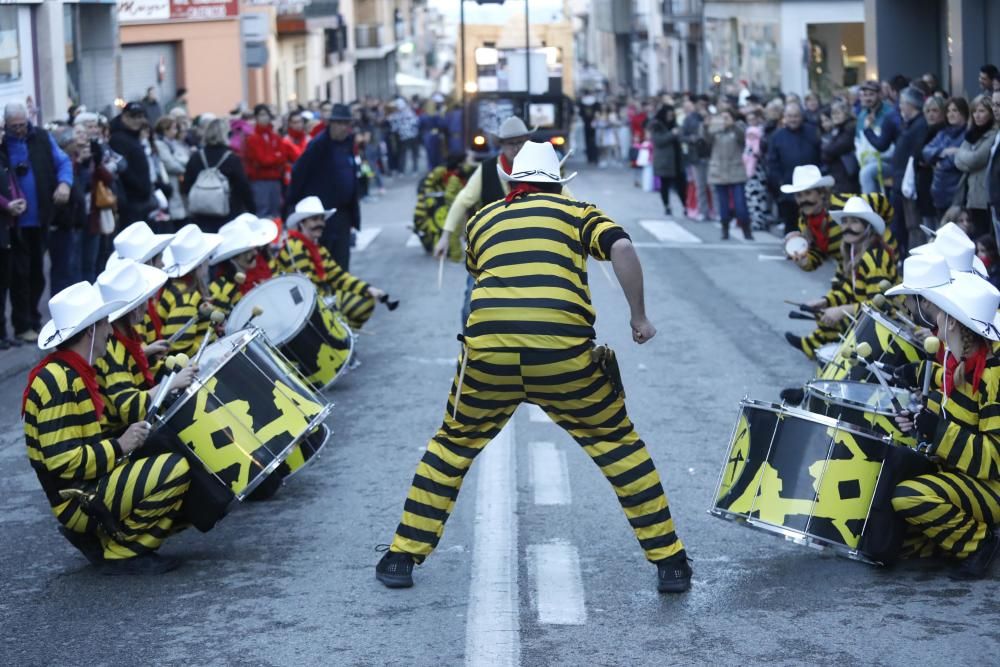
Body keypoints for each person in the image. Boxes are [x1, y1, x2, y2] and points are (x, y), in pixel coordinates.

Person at [375, 141, 691, 593]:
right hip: (562, 354)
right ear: (558, 184)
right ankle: (671, 563)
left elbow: (478, 270)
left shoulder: (483, 218)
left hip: (489, 356)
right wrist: (638, 317)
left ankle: (401, 557)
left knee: (451, 444)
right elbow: (621, 247)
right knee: (618, 444)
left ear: (511, 183)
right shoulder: (578, 212)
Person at [22, 281, 191, 574]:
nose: (110, 332)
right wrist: (121, 445)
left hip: (84, 486)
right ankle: (122, 551)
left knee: (168, 450)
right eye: (104, 325)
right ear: (90, 330)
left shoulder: (68, 371)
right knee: (176, 469)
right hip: (78, 499)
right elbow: (62, 461)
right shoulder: (60, 381)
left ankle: (108, 538)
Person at [890, 272, 1000, 579]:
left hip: (993, 486)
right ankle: (958, 537)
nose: (933, 320)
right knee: (899, 539)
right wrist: (919, 425)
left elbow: (995, 459)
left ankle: (980, 544)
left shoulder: (993, 375)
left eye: (939, 311)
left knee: (908, 496)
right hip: (962, 473)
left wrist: (937, 432)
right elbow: (948, 421)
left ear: (952, 321)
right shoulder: (960, 362)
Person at [785, 197, 898, 358]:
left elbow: (880, 305)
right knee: (825, 313)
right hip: (869, 318)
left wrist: (842, 310)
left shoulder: (875, 257)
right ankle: (815, 348)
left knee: (833, 318)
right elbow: (847, 289)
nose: (847, 227)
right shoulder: (853, 251)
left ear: (868, 227)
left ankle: (815, 347)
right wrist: (825, 301)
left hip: (889, 324)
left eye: (854, 222)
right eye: (844, 222)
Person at [95, 258, 197, 431]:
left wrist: (146, 354)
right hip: (119, 434)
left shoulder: (125, 334)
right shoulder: (112, 347)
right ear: (134, 309)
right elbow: (130, 408)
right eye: (145, 299)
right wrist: (172, 383)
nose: (148, 304)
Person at [3, 102, 73, 343]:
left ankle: (32, 319)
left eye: (22, 125)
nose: (20, 130)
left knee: (37, 273)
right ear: (6, 125)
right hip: (14, 222)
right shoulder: (3, 143)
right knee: (19, 275)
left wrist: (64, 183)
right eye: (15, 127)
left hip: (41, 217)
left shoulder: (41, 137)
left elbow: (63, 161)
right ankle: (22, 324)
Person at [278, 196, 384, 330]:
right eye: (314, 219)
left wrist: (368, 288)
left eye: (322, 219)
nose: (320, 224)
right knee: (352, 308)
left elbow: (338, 276)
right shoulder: (294, 247)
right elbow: (307, 290)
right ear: (302, 223)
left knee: (365, 301)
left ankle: (345, 336)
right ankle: (338, 336)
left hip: (323, 298)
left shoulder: (317, 247)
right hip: (302, 308)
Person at [781, 164, 896, 271]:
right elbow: (819, 252)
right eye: (799, 195)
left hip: (878, 260)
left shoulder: (845, 204)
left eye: (808, 194)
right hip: (849, 268)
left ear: (821, 193)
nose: (803, 200)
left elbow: (880, 201)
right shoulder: (804, 221)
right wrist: (804, 261)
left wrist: (879, 230)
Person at [286, 103, 360, 270]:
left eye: (346, 124)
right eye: (340, 123)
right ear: (330, 124)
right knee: (324, 263)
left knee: (342, 263)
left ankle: (339, 295)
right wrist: (293, 204)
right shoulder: (318, 144)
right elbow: (298, 172)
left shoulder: (348, 143)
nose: (344, 128)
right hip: (323, 214)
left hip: (343, 213)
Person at [863, 86, 929, 250]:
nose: (900, 107)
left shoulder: (919, 125)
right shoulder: (910, 124)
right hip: (900, 180)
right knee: (899, 224)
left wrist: (868, 129)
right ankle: (899, 258)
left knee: (910, 225)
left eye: (902, 104)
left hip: (908, 182)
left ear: (910, 105)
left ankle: (905, 259)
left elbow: (914, 154)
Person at [153, 224, 222, 357]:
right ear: (200, 264)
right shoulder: (187, 299)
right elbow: (179, 348)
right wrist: (210, 346)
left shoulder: (178, 288)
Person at [181, 118, 255, 234]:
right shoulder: (231, 158)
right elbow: (243, 187)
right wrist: (252, 210)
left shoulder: (196, 157)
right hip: (227, 214)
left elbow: (186, 185)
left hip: (201, 214)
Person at [767, 103, 821, 235]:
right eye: (790, 116)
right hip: (788, 189)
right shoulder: (777, 136)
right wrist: (779, 184)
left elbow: (821, 155)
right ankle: (793, 251)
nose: (793, 119)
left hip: (811, 188)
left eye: (796, 116)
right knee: (791, 225)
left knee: (814, 224)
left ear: (801, 117)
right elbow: (772, 163)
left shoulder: (812, 132)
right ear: (784, 117)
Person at [207, 214, 277, 314]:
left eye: (254, 248)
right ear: (233, 258)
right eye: (248, 251)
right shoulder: (220, 288)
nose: (255, 253)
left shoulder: (262, 271)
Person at [953, 95, 998, 237]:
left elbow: (976, 159)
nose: (977, 115)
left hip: (983, 197)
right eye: (974, 111)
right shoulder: (972, 134)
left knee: (985, 236)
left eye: (982, 111)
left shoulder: (993, 135)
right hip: (970, 196)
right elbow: (957, 160)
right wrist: (965, 159)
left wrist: (963, 157)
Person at [706, 109, 753, 240]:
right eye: (722, 117)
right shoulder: (715, 130)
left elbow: (743, 138)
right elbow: (705, 139)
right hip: (719, 170)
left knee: (740, 205)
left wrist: (733, 125)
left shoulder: (738, 128)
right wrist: (706, 125)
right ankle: (724, 229)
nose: (724, 120)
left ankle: (746, 229)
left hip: (736, 170)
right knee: (723, 205)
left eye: (727, 117)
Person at [109, 102, 155, 227]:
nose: (137, 120)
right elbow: (122, 169)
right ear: (124, 116)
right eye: (133, 117)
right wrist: (138, 186)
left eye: (140, 117)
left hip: (142, 199)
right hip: (130, 201)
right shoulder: (117, 138)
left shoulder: (135, 137)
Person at [923, 97, 969, 221]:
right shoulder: (943, 133)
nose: (950, 114)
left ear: (963, 112)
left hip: (957, 196)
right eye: (948, 111)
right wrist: (943, 152)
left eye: (955, 110)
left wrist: (940, 161)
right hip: (938, 195)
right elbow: (926, 151)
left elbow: (961, 160)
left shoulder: (968, 134)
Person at [854, 80, 898, 194]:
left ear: (879, 94)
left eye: (871, 94)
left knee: (866, 173)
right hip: (867, 162)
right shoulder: (862, 116)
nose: (868, 98)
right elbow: (858, 142)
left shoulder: (889, 113)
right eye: (865, 95)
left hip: (889, 162)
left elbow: (892, 145)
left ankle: (869, 208)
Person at [243, 104, 287, 218]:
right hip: (260, 181)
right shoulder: (252, 139)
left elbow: (282, 157)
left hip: (275, 179)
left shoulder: (275, 137)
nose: (265, 118)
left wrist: (272, 158)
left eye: (266, 114)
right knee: (263, 212)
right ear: (256, 117)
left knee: (276, 212)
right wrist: (275, 157)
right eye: (261, 115)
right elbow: (261, 160)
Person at [648, 105, 685, 217]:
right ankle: (667, 205)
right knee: (665, 185)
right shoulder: (657, 125)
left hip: (677, 159)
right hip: (664, 161)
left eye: (672, 115)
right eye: (668, 115)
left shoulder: (674, 124)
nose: (670, 117)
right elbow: (658, 141)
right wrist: (671, 134)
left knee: (681, 185)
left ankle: (685, 206)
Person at [681, 95, 713, 220]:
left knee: (713, 186)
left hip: (711, 154)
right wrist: (692, 139)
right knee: (700, 186)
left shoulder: (712, 116)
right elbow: (682, 136)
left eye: (704, 104)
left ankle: (716, 212)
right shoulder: (689, 119)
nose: (702, 107)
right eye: (700, 104)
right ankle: (703, 211)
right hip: (696, 155)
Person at [153, 116, 189, 227]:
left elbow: (184, 158)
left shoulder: (172, 143)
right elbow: (169, 163)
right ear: (165, 130)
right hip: (169, 180)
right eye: (173, 128)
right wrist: (184, 169)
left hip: (177, 180)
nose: (176, 131)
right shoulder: (160, 144)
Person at [820, 100, 860, 194]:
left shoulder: (850, 127)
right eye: (833, 113)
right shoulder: (837, 129)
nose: (835, 116)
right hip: (838, 175)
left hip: (848, 175)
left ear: (846, 113)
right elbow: (826, 153)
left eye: (838, 113)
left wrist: (827, 150)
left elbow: (838, 147)